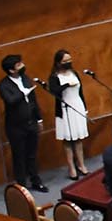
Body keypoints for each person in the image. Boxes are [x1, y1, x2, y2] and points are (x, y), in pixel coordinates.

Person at [0, 53, 49, 193]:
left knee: (32, 154)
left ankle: (36, 181)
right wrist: (23, 93)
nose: (22, 66)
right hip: (15, 127)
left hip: (31, 122)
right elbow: (10, 100)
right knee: (18, 156)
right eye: (19, 65)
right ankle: (22, 186)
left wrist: (39, 119)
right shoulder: (3, 85)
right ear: (11, 70)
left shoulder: (25, 78)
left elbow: (33, 100)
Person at [41, 48, 92, 180]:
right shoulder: (54, 77)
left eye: (69, 60)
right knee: (68, 140)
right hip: (65, 109)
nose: (68, 62)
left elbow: (81, 92)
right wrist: (67, 85)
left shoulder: (74, 72)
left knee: (78, 138)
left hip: (77, 105)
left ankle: (81, 164)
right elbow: (54, 92)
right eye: (65, 61)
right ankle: (71, 167)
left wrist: (85, 109)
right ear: (58, 63)